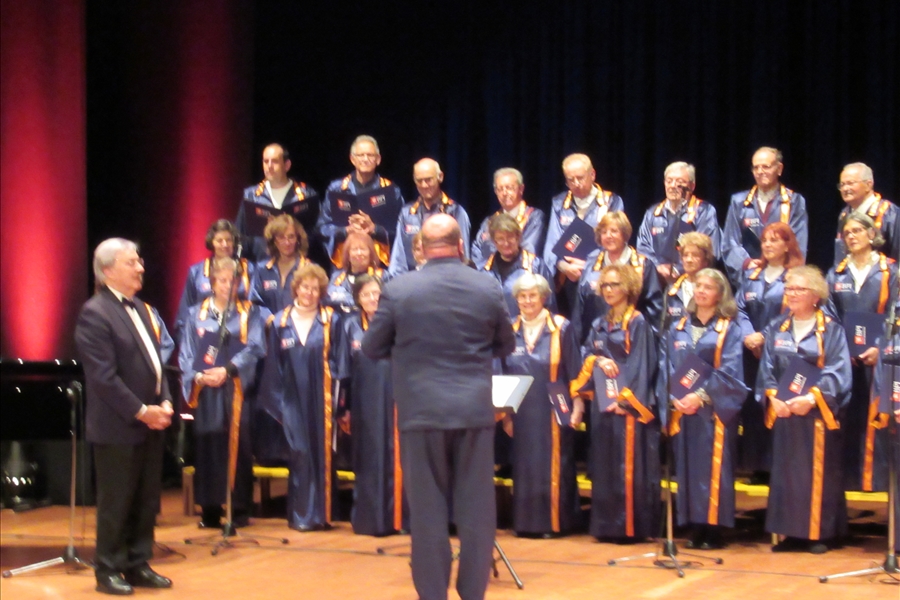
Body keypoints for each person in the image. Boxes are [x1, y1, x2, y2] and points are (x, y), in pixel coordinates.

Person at [362, 214, 515, 600]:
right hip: (473, 411)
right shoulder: (486, 285)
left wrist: (407, 351)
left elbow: (371, 347)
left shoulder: (399, 289)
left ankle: (432, 594)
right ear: (461, 245)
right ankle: (472, 593)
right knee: (477, 511)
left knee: (427, 513)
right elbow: (506, 344)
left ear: (423, 250)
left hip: (421, 413)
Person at [75, 238, 174, 595]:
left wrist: (165, 401)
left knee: (145, 500)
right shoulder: (95, 313)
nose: (140, 267)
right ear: (107, 271)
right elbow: (103, 378)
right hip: (117, 426)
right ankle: (108, 569)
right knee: (116, 503)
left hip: (150, 423)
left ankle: (137, 563)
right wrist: (142, 411)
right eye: (131, 262)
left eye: (139, 261)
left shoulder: (142, 309)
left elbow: (155, 363)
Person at [757, 266, 852, 553]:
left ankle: (818, 533)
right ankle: (791, 533)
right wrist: (773, 398)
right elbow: (767, 369)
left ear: (815, 295)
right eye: (789, 288)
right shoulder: (777, 327)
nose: (792, 294)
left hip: (816, 415)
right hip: (785, 413)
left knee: (817, 473)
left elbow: (838, 371)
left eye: (799, 289)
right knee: (787, 473)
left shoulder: (831, 330)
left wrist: (811, 399)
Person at [657, 268, 746, 550]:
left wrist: (702, 396)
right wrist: (674, 397)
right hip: (683, 410)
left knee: (713, 468)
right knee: (687, 468)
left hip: (712, 410)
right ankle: (694, 525)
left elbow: (730, 368)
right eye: (698, 286)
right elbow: (666, 364)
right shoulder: (677, 327)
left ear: (720, 294)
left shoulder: (729, 328)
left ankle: (714, 528)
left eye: (708, 287)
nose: (701, 291)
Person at [571, 264, 660, 542]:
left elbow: (642, 365)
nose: (608, 290)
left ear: (629, 288)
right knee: (605, 465)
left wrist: (625, 402)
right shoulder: (599, 323)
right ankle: (607, 526)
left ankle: (630, 528)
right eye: (605, 285)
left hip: (629, 407)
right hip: (602, 403)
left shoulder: (638, 322)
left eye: (615, 285)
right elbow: (586, 354)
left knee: (627, 466)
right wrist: (597, 360)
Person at [178, 257, 265, 529]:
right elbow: (186, 352)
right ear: (212, 282)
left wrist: (227, 370)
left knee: (238, 445)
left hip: (236, 387)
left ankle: (238, 508)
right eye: (222, 280)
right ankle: (210, 509)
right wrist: (199, 376)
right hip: (206, 389)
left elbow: (256, 347)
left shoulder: (249, 312)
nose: (228, 286)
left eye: (233, 281)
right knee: (208, 444)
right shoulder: (196, 313)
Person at [259, 263, 344, 531]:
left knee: (323, 455)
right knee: (300, 454)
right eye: (305, 287)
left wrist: (338, 401)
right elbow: (272, 369)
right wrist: (281, 407)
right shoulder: (279, 323)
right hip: (291, 400)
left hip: (323, 399)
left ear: (322, 292)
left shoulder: (331, 320)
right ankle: (301, 516)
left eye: (315, 289)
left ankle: (323, 515)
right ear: (296, 288)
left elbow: (339, 362)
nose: (309, 292)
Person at [498, 273, 580, 537]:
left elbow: (575, 371)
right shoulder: (509, 330)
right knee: (525, 466)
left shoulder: (562, 327)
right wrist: (505, 416)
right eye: (522, 296)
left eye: (532, 295)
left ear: (544, 297)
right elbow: (502, 373)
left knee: (555, 464)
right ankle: (526, 524)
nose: (527, 301)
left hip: (555, 408)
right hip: (521, 412)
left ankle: (554, 523)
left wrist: (578, 407)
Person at [826, 211, 899, 491]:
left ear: (871, 234)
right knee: (847, 417)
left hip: (884, 358)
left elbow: (896, 314)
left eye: (857, 230)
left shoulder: (891, 271)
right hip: (845, 358)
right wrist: (841, 349)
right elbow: (829, 316)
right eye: (847, 233)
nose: (851, 236)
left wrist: (881, 347)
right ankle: (848, 482)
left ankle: (878, 483)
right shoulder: (836, 273)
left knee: (878, 418)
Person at [338, 274, 406, 536]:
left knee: (396, 457)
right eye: (365, 294)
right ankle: (369, 520)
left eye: (376, 293)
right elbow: (343, 370)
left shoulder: (397, 323)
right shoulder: (349, 325)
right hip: (363, 403)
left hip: (395, 401)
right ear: (358, 298)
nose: (372, 299)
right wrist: (343, 408)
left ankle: (398, 520)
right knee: (368, 459)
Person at [735, 222, 805, 476]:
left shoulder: (796, 277)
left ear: (787, 245)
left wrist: (764, 337)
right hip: (750, 352)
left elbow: (793, 311)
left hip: (782, 353)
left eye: (774, 240)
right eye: (764, 240)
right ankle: (755, 466)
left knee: (777, 404)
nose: (767, 245)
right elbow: (739, 308)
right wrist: (748, 335)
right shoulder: (752, 275)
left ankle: (778, 467)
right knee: (754, 408)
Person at [543, 153, 625, 316]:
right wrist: (563, 266)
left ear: (592, 175)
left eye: (580, 178)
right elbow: (552, 243)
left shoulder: (611, 202)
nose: (576, 184)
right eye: (570, 180)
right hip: (568, 277)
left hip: (600, 277)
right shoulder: (559, 203)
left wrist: (588, 264)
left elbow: (616, 244)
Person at [571, 211, 663, 343]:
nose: (608, 236)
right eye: (604, 232)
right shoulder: (591, 264)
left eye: (614, 231)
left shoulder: (643, 265)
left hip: (631, 343)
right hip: (596, 342)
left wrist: (648, 344)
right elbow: (579, 309)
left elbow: (654, 311)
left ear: (624, 234)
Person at [722, 147, 809, 285]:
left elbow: (798, 243)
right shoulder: (739, 202)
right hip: (749, 277)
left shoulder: (794, 201)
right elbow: (730, 242)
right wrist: (746, 263)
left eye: (766, 167)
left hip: (783, 278)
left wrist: (790, 273)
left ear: (779, 169)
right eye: (756, 167)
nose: (760, 172)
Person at [317, 135, 405, 269]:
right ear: (352, 159)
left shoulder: (391, 190)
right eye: (361, 155)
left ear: (378, 159)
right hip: (343, 264)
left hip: (380, 264)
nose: (365, 159)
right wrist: (345, 231)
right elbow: (321, 228)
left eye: (370, 155)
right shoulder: (336, 189)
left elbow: (402, 230)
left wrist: (375, 229)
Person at [637, 161, 721, 286]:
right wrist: (658, 267)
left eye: (679, 182)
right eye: (669, 181)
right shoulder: (652, 213)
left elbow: (709, 250)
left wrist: (677, 269)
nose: (673, 186)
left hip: (693, 281)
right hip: (657, 280)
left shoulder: (704, 211)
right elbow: (643, 247)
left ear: (692, 186)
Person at [236, 143, 320, 263]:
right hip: (260, 264)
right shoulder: (251, 196)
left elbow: (317, 232)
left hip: (297, 265)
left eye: (275, 161)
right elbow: (241, 234)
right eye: (266, 161)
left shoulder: (305, 195)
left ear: (287, 165)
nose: (269, 166)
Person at [388, 158, 471, 278]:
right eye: (419, 180)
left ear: (440, 177)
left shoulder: (455, 211)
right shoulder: (407, 213)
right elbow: (398, 258)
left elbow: (463, 256)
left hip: (445, 280)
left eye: (428, 180)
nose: (424, 185)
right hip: (413, 281)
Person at [174, 219, 252, 343]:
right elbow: (184, 316)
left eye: (228, 240)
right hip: (202, 338)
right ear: (212, 243)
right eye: (219, 240)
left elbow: (256, 308)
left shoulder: (248, 269)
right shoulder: (196, 271)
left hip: (240, 336)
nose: (225, 245)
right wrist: (189, 346)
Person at [480, 213, 554, 317]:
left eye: (510, 237)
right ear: (494, 241)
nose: (506, 243)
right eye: (500, 239)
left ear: (518, 237)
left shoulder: (536, 266)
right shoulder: (484, 270)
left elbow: (550, 306)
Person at [470, 168, 546, 268]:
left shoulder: (534, 217)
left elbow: (529, 250)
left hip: (521, 273)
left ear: (521, 189)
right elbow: (476, 251)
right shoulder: (489, 221)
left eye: (509, 188)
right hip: (488, 275)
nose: (504, 193)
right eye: (500, 189)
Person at [834, 162, 899, 265]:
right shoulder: (844, 215)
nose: (845, 189)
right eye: (842, 185)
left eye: (850, 183)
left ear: (868, 185)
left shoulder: (890, 213)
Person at [251, 214, 312, 319]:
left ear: (298, 239)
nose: (287, 242)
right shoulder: (262, 269)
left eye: (291, 237)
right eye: (281, 237)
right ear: (274, 240)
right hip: (267, 325)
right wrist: (271, 321)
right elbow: (255, 302)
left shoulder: (309, 269)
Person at [660, 232, 715, 333]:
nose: (689, 260)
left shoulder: (715, 289)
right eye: (685, 255)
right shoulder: (672, 291)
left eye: (695, 255)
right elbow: (664, 329)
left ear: (706, 260)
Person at [324, 231, 387, 313]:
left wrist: (344, 298)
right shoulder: (337, 277)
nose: (359, 253)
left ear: (370, 253)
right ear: (348, 254)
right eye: (354, 249)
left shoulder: (383, 276)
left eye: (363, 249)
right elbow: (328, 298)